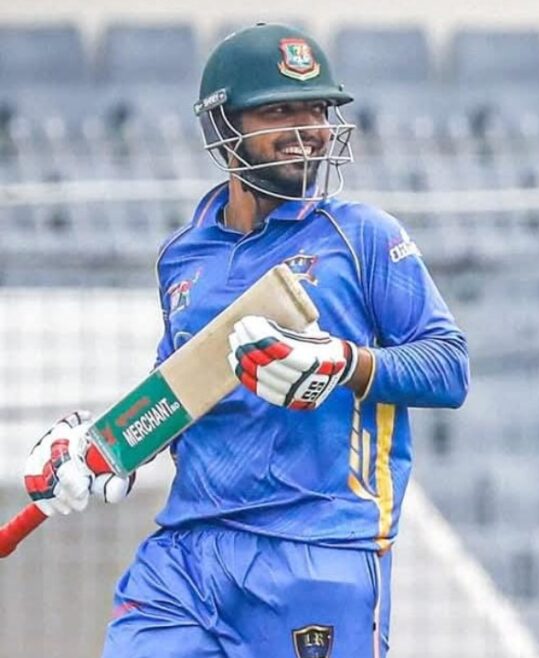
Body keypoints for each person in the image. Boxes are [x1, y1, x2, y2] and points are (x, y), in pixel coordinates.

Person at [21, 23, 469, 658]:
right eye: (279, 110)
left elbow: (450, 366)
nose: (308, 128)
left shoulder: (363, 236)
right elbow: (182, 388)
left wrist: (343, 362)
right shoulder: (184, 256)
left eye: (318, 109)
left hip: (316, 552)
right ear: (224, 126)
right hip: (186, 557)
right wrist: (102, 448)